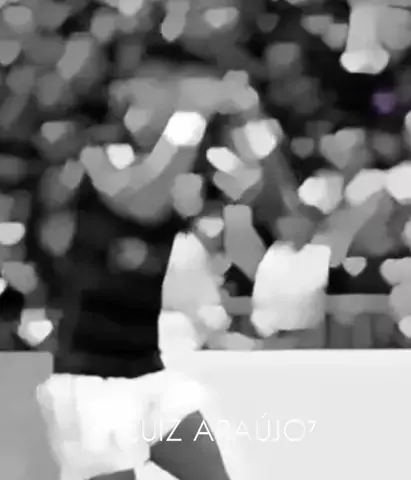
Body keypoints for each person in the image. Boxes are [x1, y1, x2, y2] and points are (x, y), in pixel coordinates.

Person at [35, 67, 247, 480]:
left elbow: (250, 187)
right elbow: (141, 200)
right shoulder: (95, 156)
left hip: (151, 375)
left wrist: (248, 117)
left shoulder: (183, 168)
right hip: (89, 384)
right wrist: (190, 119)